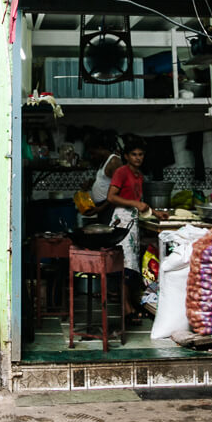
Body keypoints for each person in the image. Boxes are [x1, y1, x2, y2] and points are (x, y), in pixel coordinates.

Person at [106, 135, 153, 319]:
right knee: (124, 266)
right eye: (134, 154)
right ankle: (126, 307)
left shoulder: (139, 176)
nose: (138, 158)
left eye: (141, 154)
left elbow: (139, 202)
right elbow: (111, 197)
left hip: (133, 221)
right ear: (126, 156)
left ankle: (129, 305)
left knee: (131, 266)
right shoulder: (121, 172)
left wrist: (156, 213)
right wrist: (135, 203)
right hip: (122, 221)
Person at [86, 131, 122, 222]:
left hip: (110, 208)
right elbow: (106, 181)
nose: (92, 157)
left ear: (100, 148)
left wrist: (101, 208)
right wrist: (92, 183)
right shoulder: (103, 162)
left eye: (93, 153)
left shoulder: (114, 162)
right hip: (103, 208)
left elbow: (118, 190)